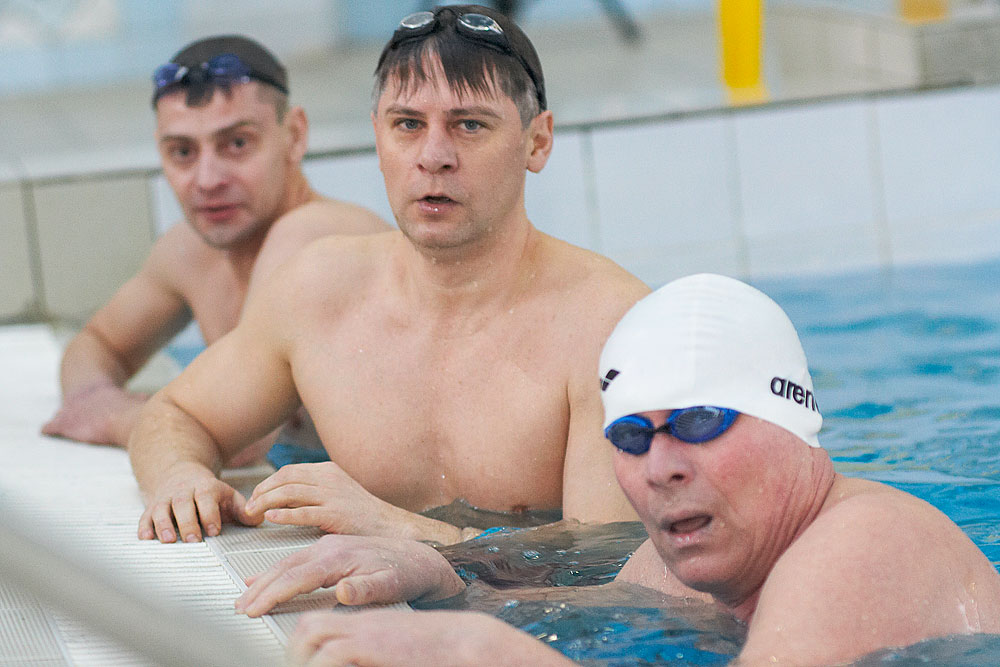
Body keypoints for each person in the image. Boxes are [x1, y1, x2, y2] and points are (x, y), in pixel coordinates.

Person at [236, 273, 1000, 666]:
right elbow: (574, 614)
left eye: (699, 422)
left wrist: (493, 656)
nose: (660, 467)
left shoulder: (860, 545)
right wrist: (443, 578)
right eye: (632, 436)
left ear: (791, 421)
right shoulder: (684, 563)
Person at [126, 5, 649, 546]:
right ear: (379, 138)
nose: (434, 156)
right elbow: (175, 414)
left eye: (470, 125)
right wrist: (180, 476)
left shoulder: (605, 324)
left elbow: (611, 561)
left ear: (537, 142)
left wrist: (399, 530)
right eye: (408, 125)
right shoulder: (319, 290)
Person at [41, 35, 390, 466]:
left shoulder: (316, 238)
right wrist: (93, 396)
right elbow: (97, 345)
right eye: (182, 152)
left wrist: (112, 419)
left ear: (294, 135)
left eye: (237, 144)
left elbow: (236, 439)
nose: (207, 179)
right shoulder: (191, 251)